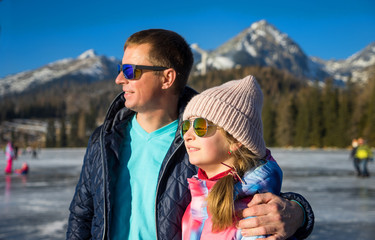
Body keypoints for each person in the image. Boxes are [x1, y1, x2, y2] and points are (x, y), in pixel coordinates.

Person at [66, 29, 314, 240]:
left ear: (167, 78)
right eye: (121, 69)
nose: (119, 79)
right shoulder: (104, 139)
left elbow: (253, 180)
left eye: (130, 71)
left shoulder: (204, 138)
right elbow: (82, 214)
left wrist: (298, 211)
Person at [181, 75, 286, 239]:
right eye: (186, 126)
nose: (187, 135)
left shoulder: (254, 215)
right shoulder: (197, 200)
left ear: (236, 140)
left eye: (200, 126)